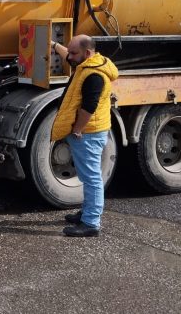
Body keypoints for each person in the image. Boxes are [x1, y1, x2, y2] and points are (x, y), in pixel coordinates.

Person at [50, 35, 119, 237]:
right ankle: (88, 212)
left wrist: (78, 129)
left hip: (88, 133)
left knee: (91, 178)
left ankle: (91, 223)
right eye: (69, 52)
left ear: (87, 53)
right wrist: (54, 45)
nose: (70, 57)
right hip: (89, 133)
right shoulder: (87, 64)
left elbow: (89, 107)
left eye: (74, 53)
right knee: (87, 175)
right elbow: (68, 56)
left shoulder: (94, 76)